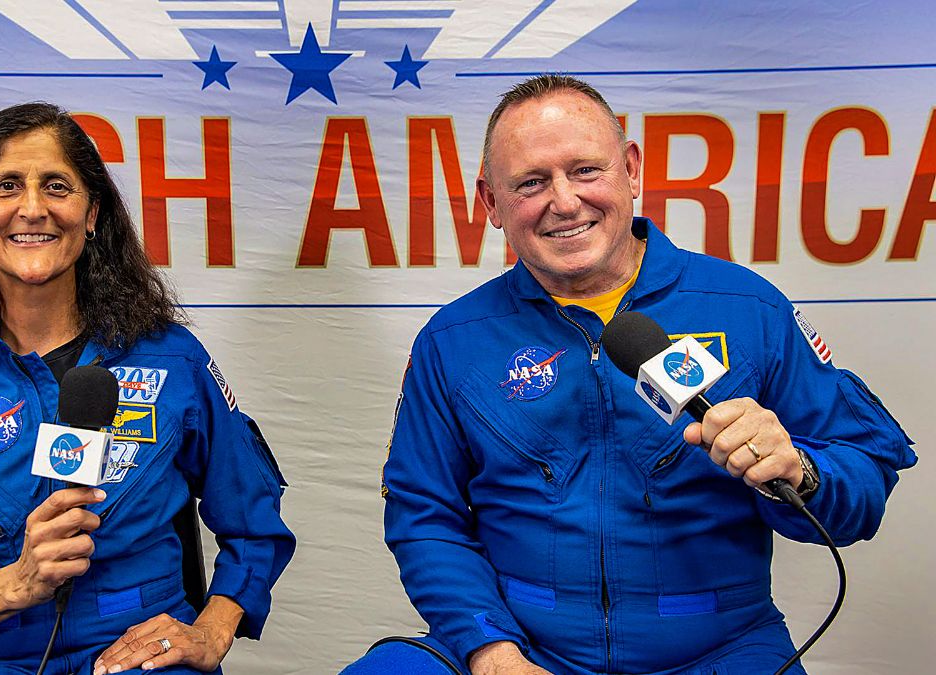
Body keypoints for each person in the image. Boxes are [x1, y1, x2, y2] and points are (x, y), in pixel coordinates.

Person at [348, 75, 916, 675]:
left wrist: (801, 470)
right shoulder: (452, 341)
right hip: (523, 647)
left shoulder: (748, 308)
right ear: (491, 203)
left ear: (632, 171)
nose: (563, 202)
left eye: (586, 170)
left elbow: (865, 475)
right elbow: (424, 515)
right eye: (531, 183)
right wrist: (493, 653)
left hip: (721, 649)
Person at [0, 103, 295, 675]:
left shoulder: (173, 360)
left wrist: (210, 632)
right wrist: (15, 584)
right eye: (6, 186)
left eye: (57, 187)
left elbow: (255, 522)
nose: (32, 209)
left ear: (91, 214)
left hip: (137, 658)